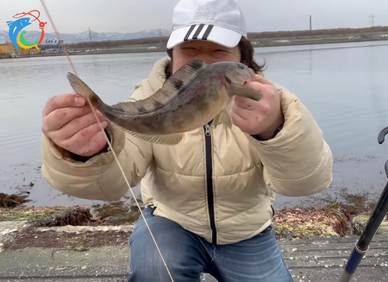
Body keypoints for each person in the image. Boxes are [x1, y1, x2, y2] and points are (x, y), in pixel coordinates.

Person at [40, 0, 334, 281]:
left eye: (219, 50)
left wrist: (274, 129)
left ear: (244, 58)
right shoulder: (146, 100)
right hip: (171, 223)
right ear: (171, 56)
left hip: (248, 232)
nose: (203, 59)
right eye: (189, 49)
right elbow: (114, 179)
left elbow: (307, 183)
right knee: (155, 266)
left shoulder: (273, 104)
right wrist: (88, 151)